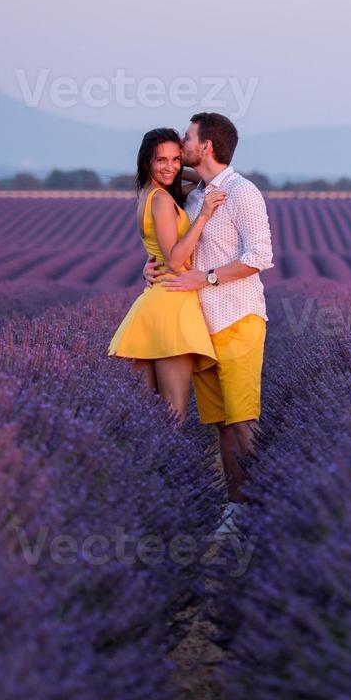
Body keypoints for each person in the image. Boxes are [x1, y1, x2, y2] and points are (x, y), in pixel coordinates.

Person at [150, 113, 274, 508]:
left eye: (187, 138)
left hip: (239, 317)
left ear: (205, 146)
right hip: (202, 326)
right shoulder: (196, 195)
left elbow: (260, 256)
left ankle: (263, 511)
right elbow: (174, 246)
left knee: (243, 422)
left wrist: (207, 279)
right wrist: (152, 263)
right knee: (222, 424)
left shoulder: (243, 192)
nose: (181, 144)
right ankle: (235, 510)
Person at [107, 128, 224, 420]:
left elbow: (200, 179)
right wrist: (204, 216)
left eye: (175, 159)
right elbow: (174, 260)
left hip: (153, 305)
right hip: (172, 306)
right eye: (161, 160)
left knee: (147, 416)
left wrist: (180, 165)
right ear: (146, 161)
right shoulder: (161, 200)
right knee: (175, 413)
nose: (170, 167)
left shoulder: (149, 194)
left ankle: (147, 466)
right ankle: (171, 467)